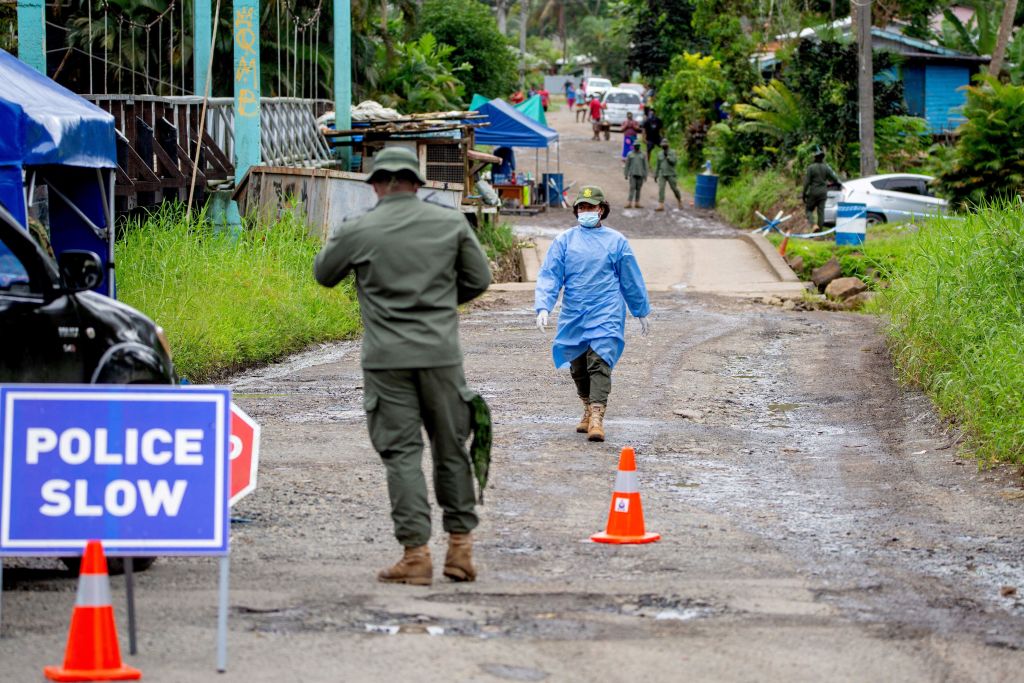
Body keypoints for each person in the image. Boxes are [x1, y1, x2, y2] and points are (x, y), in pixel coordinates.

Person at [314, 147, 492, 586]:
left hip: (386, 361)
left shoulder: (361, 227)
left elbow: (324, 273)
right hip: (441, 357)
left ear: (375, 184)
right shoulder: (450, 222)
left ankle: (416, 556)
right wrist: (438, 308)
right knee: (451, 448)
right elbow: (479, 279)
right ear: (418, 182)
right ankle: (461, 551)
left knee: (402, 454)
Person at [534, 186, 651, 442]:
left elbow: (630, 278)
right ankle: (587, 408)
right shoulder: (564, 241)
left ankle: (597, 417)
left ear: (602, 210)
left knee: (599, 361)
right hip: (575, 312)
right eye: (582, 207)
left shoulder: (617, 242)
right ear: (577, 210)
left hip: (606, 310)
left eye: (591, 207)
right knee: (578, 366)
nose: (586, 211)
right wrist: (544, 306)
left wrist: (640, 309)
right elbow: (551, 275)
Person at [803, 149, 840, 230]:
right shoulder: (826, 168)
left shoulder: (811, 168)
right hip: (823, 193)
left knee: (808, 210)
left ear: (815, 158)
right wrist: (837, 184)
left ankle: (813, 225)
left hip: (813, 192)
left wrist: (804, 194)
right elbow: (834, 179)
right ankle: (820, 231)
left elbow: (807, 182)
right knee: (821, 212)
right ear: (822, 158)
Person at [654, 139, 683, 211]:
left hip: (671, 173)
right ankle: (661, 205)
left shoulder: (672, 152)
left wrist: (668, 157)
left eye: (665, 145)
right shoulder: (659, 154)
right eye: (662, 145)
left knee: (674, 188)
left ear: (668, 145)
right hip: (662, 173)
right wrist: (656, 174)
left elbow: (674, 162)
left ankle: (679, 200)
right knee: (661, 189)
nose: (663, 147)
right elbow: (658, 165)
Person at [624, 144, 648, 209]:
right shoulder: (630, 154)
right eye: (635, 146)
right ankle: (629, 202)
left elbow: (645, 166)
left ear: (639, 146)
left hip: (640, 174)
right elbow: (627, 165)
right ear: (633, 146)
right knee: (632, 188)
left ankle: (637, 203)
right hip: (632, 174)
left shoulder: (643, 154)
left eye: (637, 146)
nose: (636, 147)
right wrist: (626, 174)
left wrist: (646, 175)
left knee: (638, 189)